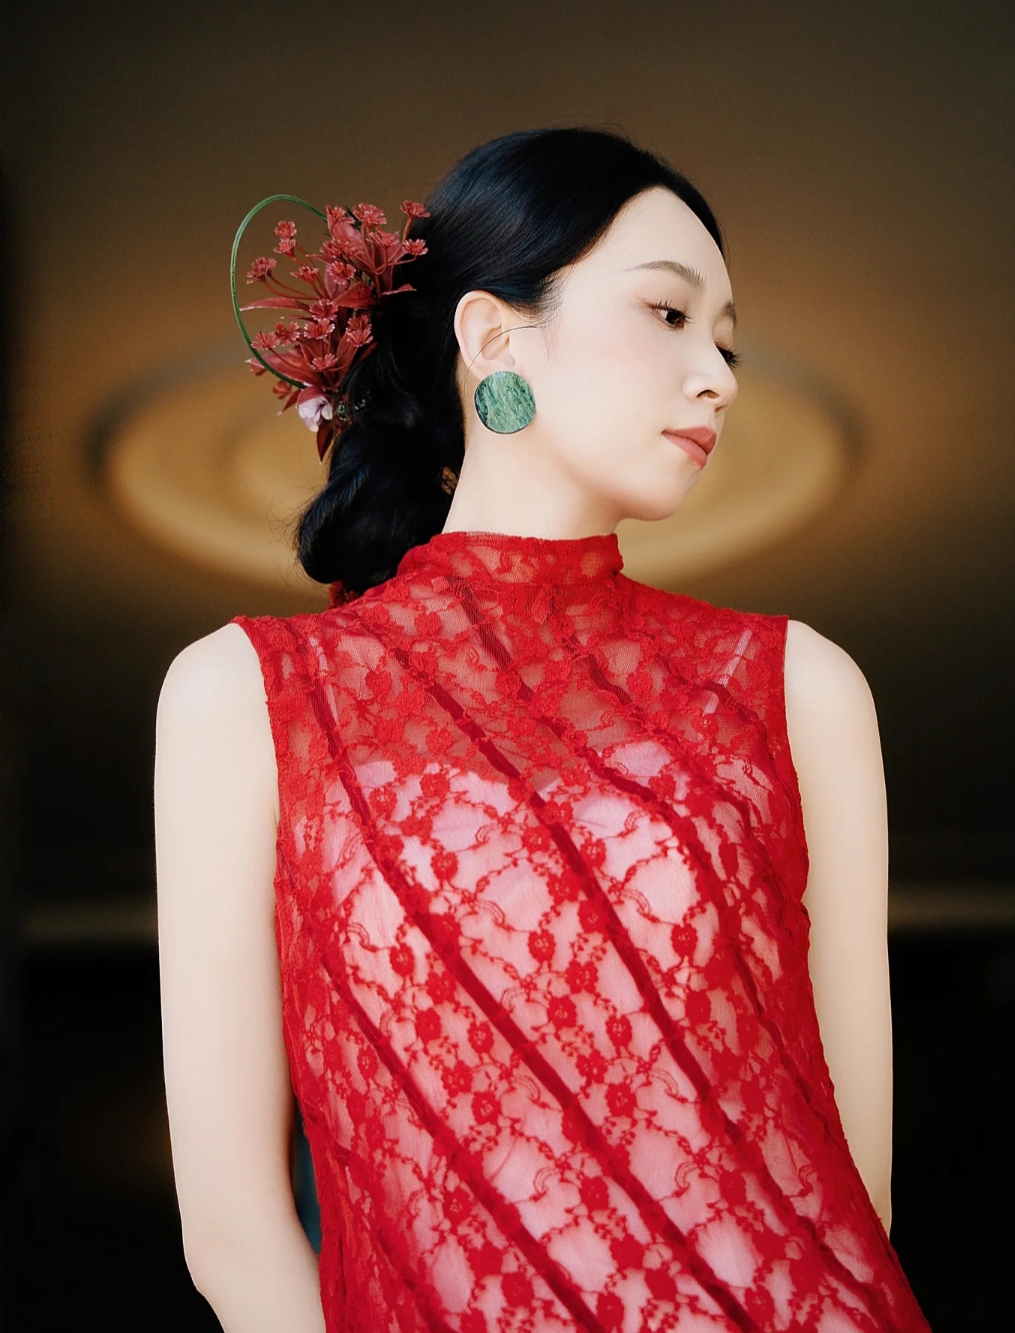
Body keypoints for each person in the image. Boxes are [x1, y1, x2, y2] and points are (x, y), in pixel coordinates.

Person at [155, 128, 930, 1333]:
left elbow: (854, 1194)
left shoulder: (800, 689)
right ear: (493, 338)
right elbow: (233, 1234)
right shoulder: (244, 699)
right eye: (670, 314)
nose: (720, 376)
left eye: (727, 341)